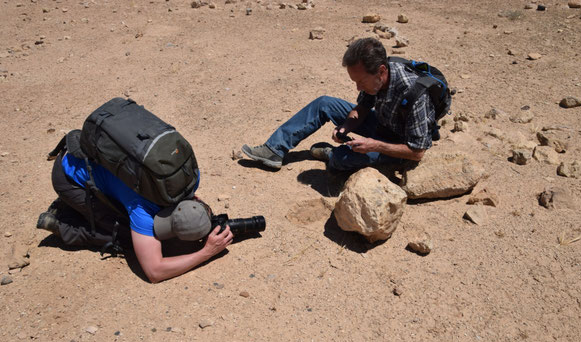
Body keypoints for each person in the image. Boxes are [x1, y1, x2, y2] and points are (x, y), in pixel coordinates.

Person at [36, 148, 233, 283]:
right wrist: (206, 252)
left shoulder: (191, 176)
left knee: (123, 207)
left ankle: (84, 202)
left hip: (78, 149)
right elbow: (154, 272)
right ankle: (64, 223)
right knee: (126, 235)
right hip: (67, 177)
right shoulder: (142, 209)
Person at [241, 37, 437, 171]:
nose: (358, 88)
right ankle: (274, 150)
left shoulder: (415, 93)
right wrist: (346, 126)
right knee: (324, 103)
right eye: (355, 82)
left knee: (342, 159)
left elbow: (418, 152)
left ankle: (330, 155)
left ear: (381, 71)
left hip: (400, 145)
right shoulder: (376, 81)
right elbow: (362, 107)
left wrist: (374, 145)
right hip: (383, 124)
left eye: (361, 82)